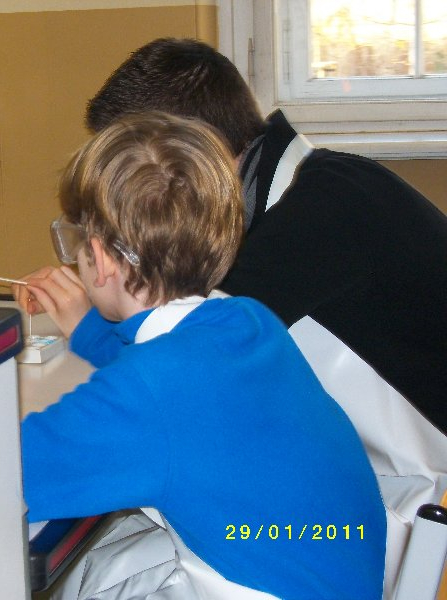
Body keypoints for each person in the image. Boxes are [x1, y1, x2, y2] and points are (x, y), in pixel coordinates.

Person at [19, 111, 385, 599]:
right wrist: (87, 328)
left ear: (101, 258)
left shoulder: (147, 393)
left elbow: (6, 475)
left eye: (74, 241)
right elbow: (173, 385)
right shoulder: (246, 321)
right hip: (329, 567)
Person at [75, 37, 447, 435]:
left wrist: (87, 323)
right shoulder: (311, 184)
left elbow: (182, 366)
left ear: (187, 156)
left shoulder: (318, 213)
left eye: (130, 171)